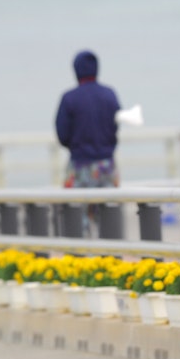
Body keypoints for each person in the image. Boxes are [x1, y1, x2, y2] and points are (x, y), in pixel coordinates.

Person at [55, 49, 121, 237]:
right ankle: (110, 252)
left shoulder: (69, 98)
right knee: (108, 219)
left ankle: (82, 253)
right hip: (107, 166)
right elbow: (115, 126)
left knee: (76, 219)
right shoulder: (110, 95)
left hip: (80, 165)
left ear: (76, 70)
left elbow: (62, 134)